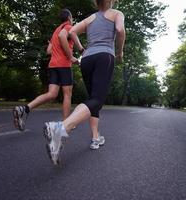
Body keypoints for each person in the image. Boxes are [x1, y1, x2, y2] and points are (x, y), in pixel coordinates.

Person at [43, 0, 125, 164]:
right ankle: (60, 129)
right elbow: (120, 29)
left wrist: (81, 49)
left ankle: (96, 137)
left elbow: (72, 32)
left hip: (87, 59)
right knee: (97, 100)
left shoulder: (90, 18)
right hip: (104, 57)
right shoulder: (117, 14)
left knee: (92, 101)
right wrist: (120, 51)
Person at [13, 9, 80, 131]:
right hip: (64, 65)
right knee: (67, 94)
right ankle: (66, 124)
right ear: (70, 18)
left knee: (51, 94)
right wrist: (70, 57)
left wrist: (52, 44)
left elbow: (49, 51)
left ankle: (25, 109)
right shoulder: (68, 27)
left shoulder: (56, 31)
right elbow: (62, 36)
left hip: (53, 65)